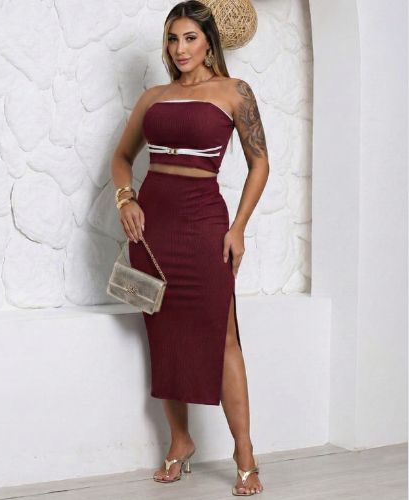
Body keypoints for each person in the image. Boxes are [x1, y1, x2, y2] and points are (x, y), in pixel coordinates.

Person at [110, 1, 269, 495]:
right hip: (151, 230)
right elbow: (121, 157)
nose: (180, 49)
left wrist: (237, 228)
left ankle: (245, 453)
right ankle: (180, 441)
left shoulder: (235, 92)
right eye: (172, 39)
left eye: (190, 38)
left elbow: (260, 164)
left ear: (209, 42)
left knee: (224, 338)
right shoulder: (153, 98)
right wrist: (125, 198)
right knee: (163, 335)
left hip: (204, 225)